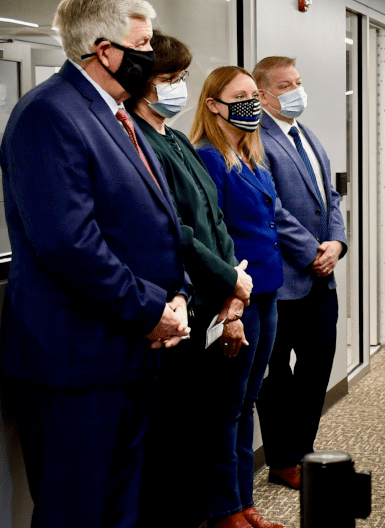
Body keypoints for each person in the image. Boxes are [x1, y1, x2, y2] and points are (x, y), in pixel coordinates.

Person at [0, 0, 189, 527]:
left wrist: (175, 297)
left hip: (126, 354)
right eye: (144, 44)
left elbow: (156, 224)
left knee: (117, 510)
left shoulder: (117, 115)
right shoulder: (48, 116)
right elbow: (68, 244)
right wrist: (154, 309)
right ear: (105, 51)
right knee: (75, 513)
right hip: (75, 364)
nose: (153, 57)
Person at [127, 31, 254, 528]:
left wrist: (231, 288)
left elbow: (213, 219)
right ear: (141, 83)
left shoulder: (175, 138)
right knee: (171, 443)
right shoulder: (134, 140)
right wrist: (228, 279)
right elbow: (176, 229)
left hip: (212, 299)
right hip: (175, 307)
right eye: (167, 79)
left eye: (181, 77)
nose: (176, 87)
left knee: (200, 428)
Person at [192, 66, 286, 528]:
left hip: (267, 290)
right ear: (213, 104)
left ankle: (245, 504)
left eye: (255, 94)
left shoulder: (249, 154)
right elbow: (211, 237)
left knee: (247, 401)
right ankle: (225, 510)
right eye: (241, 95)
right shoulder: (208, 157)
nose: (253, 103)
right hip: (235, 298)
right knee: (226, 406)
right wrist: (229, 305)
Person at [253, 56, 347, 490]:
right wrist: (312, 251)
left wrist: (337, 243)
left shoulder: (306, 135)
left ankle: (303, 449)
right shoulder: (256, 139)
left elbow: (329, 197)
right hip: (283, 281)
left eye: (299, 82)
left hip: (320, 280)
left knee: (316, 369)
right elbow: (271, 208)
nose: (296, 91)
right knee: (276, 377)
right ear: (264, 95)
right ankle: (283, 458)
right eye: (286, 85)